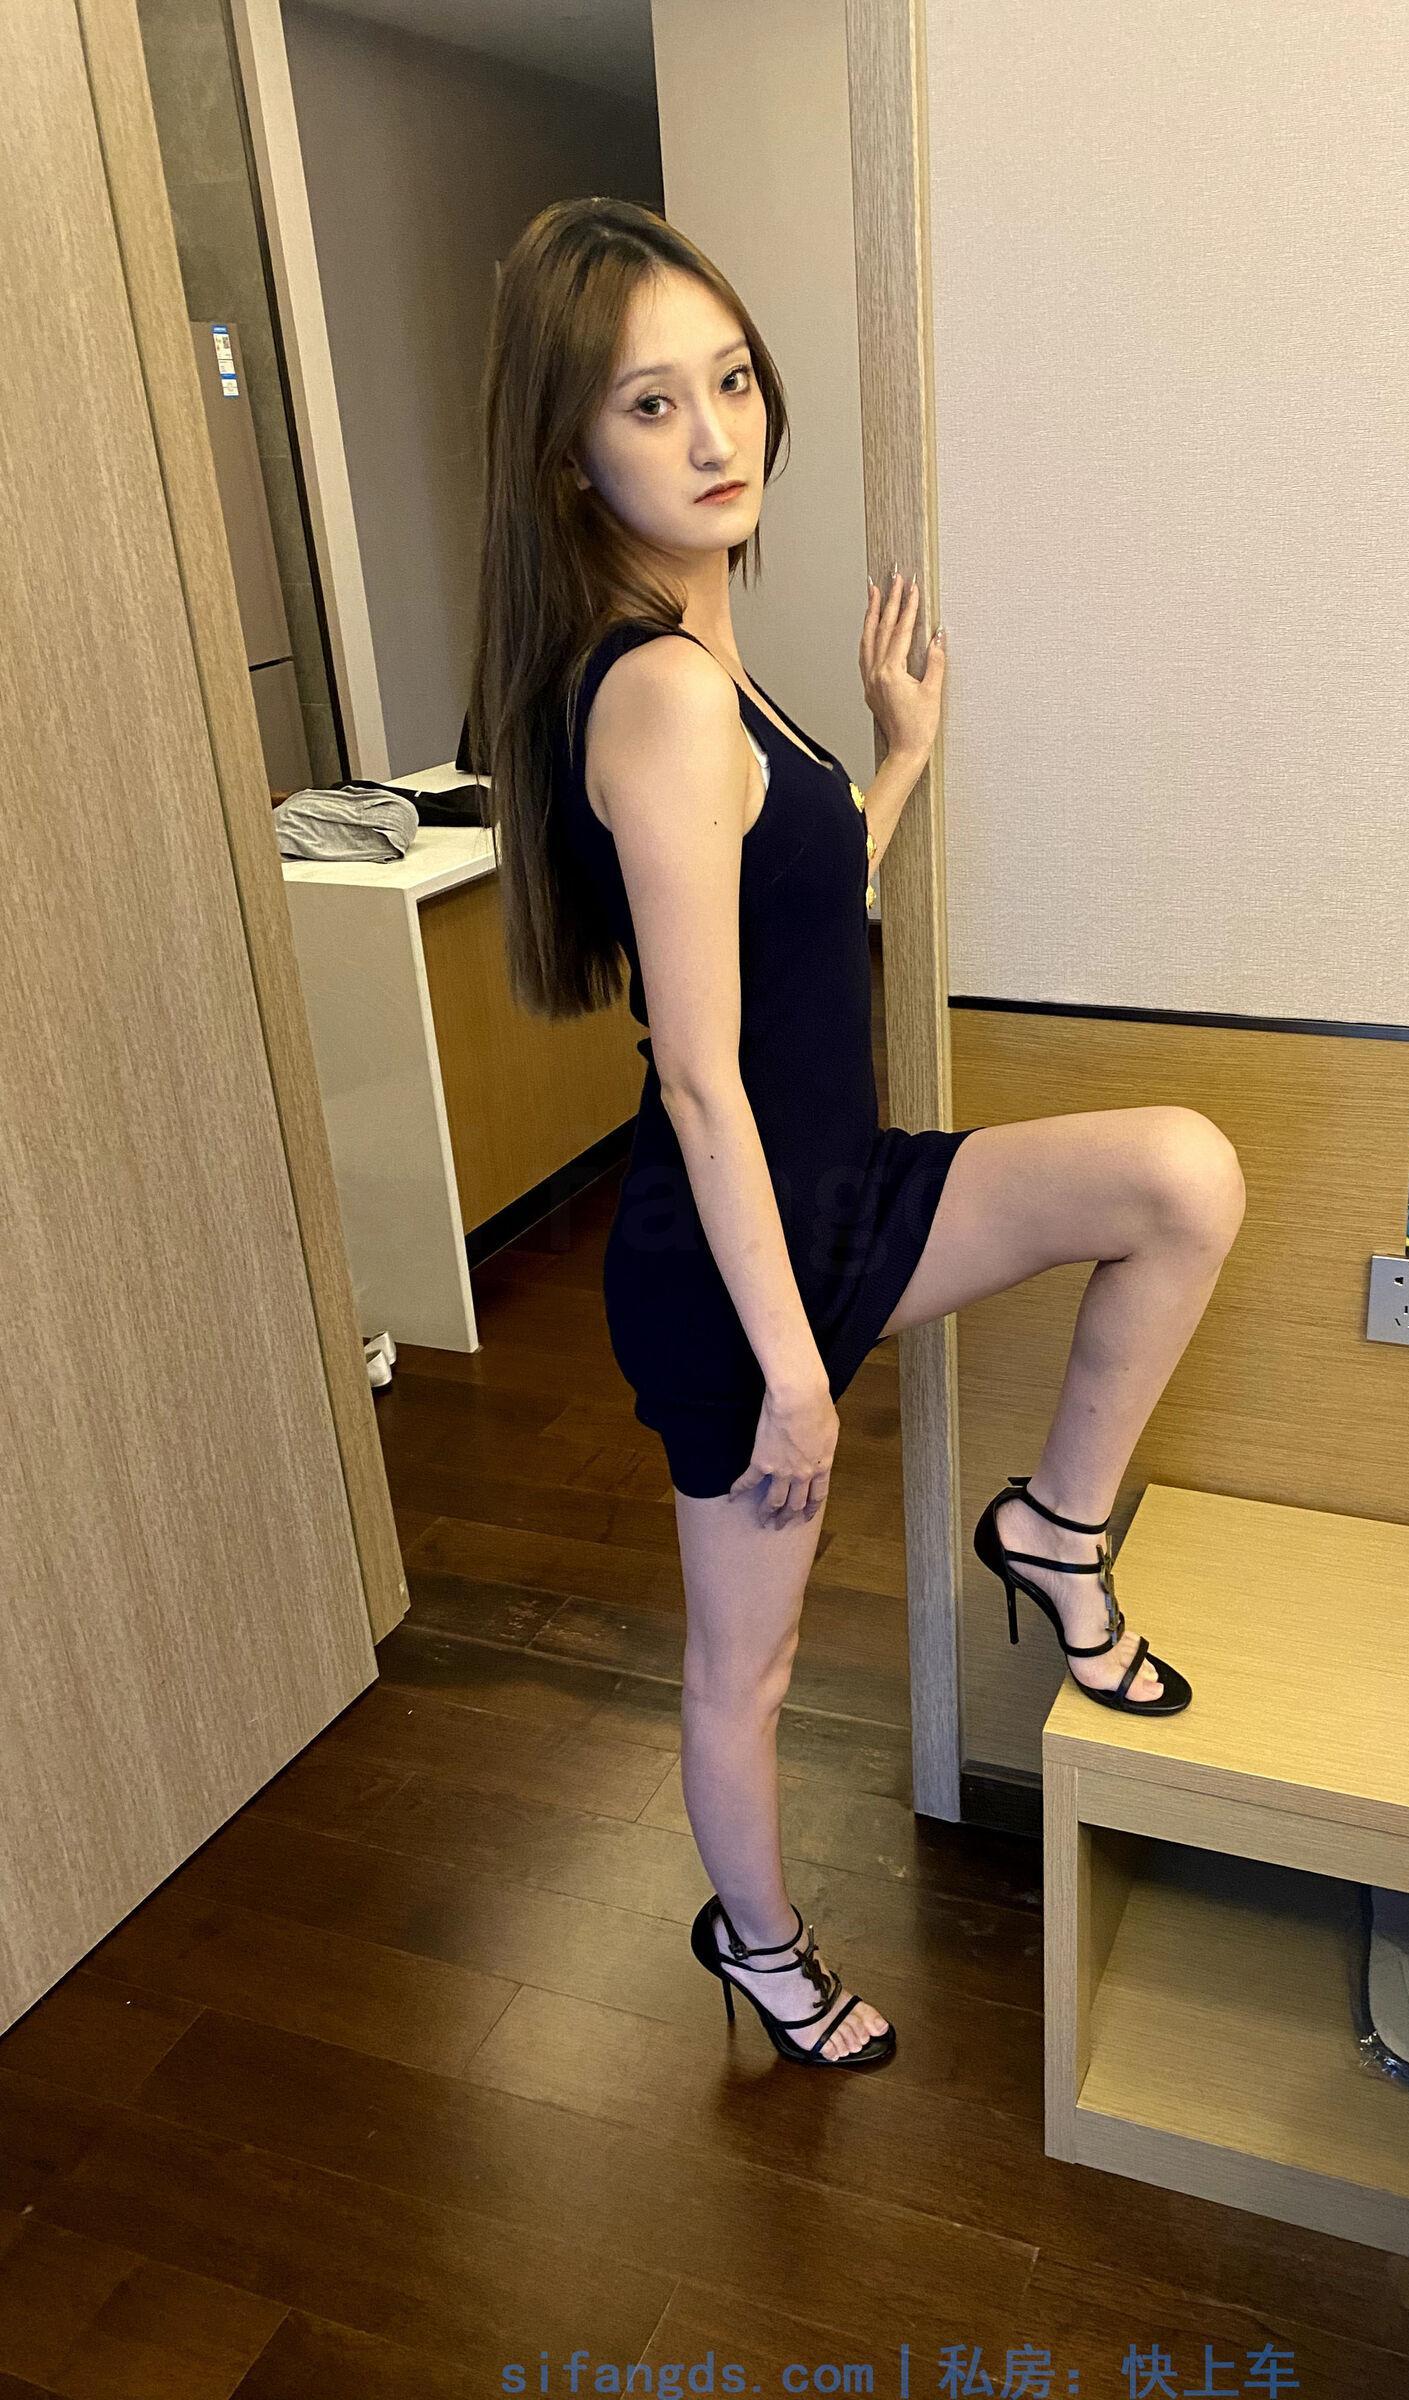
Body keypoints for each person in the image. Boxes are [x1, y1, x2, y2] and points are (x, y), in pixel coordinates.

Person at [468, 198, 1246, 2070]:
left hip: (844, 1199)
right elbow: (701, 1080)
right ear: (571, 452)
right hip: (735, 1274)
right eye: (651, 404)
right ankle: (761, 1947)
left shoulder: (713, 662)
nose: (714, 434)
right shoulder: (659, 693)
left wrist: (890, 761)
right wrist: (799, 1380)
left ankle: (1052, 1536)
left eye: (731, 381)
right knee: (750, 1668)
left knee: (1179, 1177)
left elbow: (798, 929)